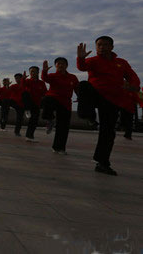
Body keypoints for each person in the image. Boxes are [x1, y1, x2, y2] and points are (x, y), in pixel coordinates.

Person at [77, 36, 140, 175]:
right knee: (83, 85)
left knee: (108, 132)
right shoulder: (93, 60)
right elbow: (82, 67)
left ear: (112, 47)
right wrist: (80, 58)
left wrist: (133, 87)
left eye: (105, 45)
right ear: (96, 47)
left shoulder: (121, 63)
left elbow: (133, 77)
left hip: (113, 101)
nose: (102, 47)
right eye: (99, 45)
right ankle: (89, 116)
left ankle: (102, 163)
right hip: (96, 94)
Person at [40, 58, 79, 154]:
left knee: (63, 127)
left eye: (63, 64)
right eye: (58, 64)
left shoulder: (72, 77)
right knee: (46, 99)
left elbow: (77, 88)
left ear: (66, 65)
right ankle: (50, 119)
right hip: (53, 99)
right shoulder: (52, 76)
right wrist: (44, 71)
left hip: (65, 104)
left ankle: (59, 148)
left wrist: (79, 97)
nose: (61, 65)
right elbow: (45, 78)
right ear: (56, 66)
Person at [21, 66, 47, 142]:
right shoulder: (28, 81)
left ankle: (29, 136)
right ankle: (27, 110)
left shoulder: (41, 83)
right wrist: (23, 79)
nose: (33, 73)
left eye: (34, 71)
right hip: (29, 103)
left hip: (37, 104)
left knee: (34, 120)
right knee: (25, 93)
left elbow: (45, 93)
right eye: (31, 71)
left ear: (38, 72)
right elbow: (22, 87)